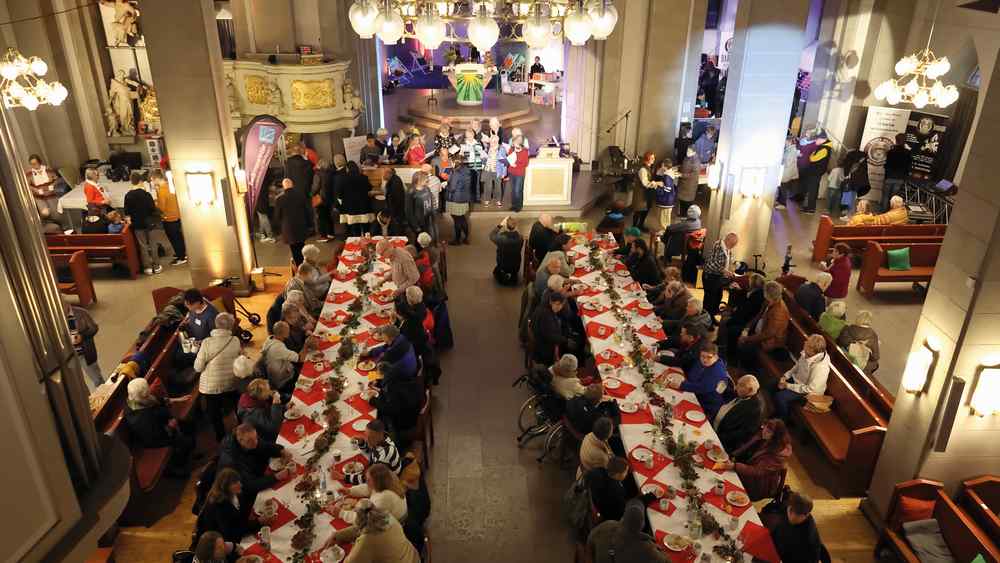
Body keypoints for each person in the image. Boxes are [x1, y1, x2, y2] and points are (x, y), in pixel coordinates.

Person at [123, 378, 194, 475]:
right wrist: (170, 427)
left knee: (189, 425)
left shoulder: (134, 400)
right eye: (147, 394)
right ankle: (176, 467)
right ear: (142, 397)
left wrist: (176, 400)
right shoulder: (141, 417)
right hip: (154, 440)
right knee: (188, 443)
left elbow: (157, 401)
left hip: (162, 423)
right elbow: (156, 435)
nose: (149, 395)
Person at [195, 312, 243, 441]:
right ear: (231, 327)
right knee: (236, 405)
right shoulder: (235, 340)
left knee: (214, 413)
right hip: (230, 383)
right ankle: (242, 430)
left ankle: (220, 437)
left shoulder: (206, 342)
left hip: (211, 387)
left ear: (216, 325)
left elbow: (197, 367)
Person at [720, 419, 792, 501]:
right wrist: (732, 455)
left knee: (725, 482)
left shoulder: (776, 456)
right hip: (748, 470)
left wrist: (735, 466)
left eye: (769, 431)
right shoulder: (765, 437)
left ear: (775, 437)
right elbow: (745, 447)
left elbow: (757, 471)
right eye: (765, 427)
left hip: (758, 485)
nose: (764, 431)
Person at [327, 500, 420, 563]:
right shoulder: (385, 515)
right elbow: (358, 528)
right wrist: (337, 535)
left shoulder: (368, 539)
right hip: (413, 557)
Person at [194, 468, 264, 550]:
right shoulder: (220, 505)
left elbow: (239, 516)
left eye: (239, 481)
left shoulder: (234, 494)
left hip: (234, 534)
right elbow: (231, 533)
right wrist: (258, 522)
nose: (240, 485)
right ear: (225, 487)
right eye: (235, 483)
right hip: (219, 544)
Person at [218, 423, 288, 503]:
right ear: (241, 440)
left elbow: (264, 446)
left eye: (256, 438)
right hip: (243, 497)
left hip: (259, 475)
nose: (256, 443)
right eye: (250, 441)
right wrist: (275, 478)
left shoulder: (250, 439)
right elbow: (248, 485)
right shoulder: (232, 460)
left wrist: (280, 450)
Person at [586, 498, 667, 563]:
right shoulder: (647, 548)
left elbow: (589, 540)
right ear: (642, 525)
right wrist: (659, 550)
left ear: (623, 517)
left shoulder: (608, 524)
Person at [773, 334, 831, 418]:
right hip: (798, 382)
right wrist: (785, 376)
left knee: (780, 397)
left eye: (807, 343)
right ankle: (775, 413)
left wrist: (787, 385)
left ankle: (782, 421)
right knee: (773, 384)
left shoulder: (820, 367)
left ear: (812, 350)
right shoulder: (808, 353)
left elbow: (809, 389)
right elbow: (797, 367)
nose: (804, 342)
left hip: (808, 393)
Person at [670, 343, 731, 420]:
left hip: (707, 407)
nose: (705, 360)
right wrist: (683, 382)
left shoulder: (717, 371)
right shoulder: (702, 362)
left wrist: (681, 385)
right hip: (695, 395)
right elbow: (692, 376)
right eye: (702, 356)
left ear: (716, 356)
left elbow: (703, 388)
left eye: (709, 357)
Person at [332, 419, 402, 485]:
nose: (367, 440)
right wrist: (361, 442)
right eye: (366, 436)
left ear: (380, 435)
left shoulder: (385, 455)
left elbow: (369, 479)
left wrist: (343, 477)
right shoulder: (382, 439)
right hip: (377, 471)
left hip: (388, 482)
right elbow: (371, 452)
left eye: (371, 437)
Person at [738, 281, 790, 369]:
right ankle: (737, 362)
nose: (763, 295)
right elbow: (759, 315)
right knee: (738, 331)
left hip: (769, 342)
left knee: (746, 347)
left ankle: (746, 370)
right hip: (760, 331)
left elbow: (767, 334)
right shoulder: (769, 301)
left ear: (770, 296)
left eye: (765, 293)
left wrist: (747, 339)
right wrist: (748, 327)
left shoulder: (779, 312)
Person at [123, 171, 163, 275]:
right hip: (149, 223)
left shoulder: (128, 195)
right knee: (153, 244)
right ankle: (157, 266)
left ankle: (147, 268)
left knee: (143, 246)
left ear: (132, 181)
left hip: (137, 224)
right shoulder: (146, 194)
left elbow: (127, 212)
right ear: (141, 181)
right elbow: (152, 209)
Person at [767, 492, 824, 563]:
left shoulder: (806, 536)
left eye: (797, 514)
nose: (791, 515)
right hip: (774, 549)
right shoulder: (788, 509)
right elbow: (777, 531)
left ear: (806, 515)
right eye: (790, 510)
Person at [713, 374, 764, 453]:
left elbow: (741, 434)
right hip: (714, 427)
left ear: (750, 390)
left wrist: (716, 437)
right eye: (737, 384)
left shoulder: (754, 409)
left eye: (740, 386)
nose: (736, 387)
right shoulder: (746, 394)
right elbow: (731, 394)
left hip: (721, 441)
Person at [719, 273, 766, 357]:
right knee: (725, 317)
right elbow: (745, 302)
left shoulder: (757, 297)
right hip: (743, 316)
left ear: (753, 284)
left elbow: (745, 311)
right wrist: (739, 289)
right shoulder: (756, 292)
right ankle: (721, 343)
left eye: (750, 282)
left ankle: (725, 349)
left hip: (746, 322)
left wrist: (732, 315)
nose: (748, 283)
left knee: (726, 321)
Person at [260, 321, 309, 394]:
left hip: (276, 374)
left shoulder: (270, 339)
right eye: (288, 330)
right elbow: (300, 359)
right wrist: (306, 344)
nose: (289, 331)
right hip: (283, 381)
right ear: (284, 334)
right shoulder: (278, 348)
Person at [150, 169, 187, 265]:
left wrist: (154, 203)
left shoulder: (161, 190)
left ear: (156, 178)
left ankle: (180, 257)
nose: (152, 182)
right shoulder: (170, 186)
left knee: (174, 238)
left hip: (168, 217)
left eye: (152, 180)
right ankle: (183, 254)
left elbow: (161, 207)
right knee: (179, 237)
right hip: (177, 215)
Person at [64, 299, 103, 389]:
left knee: (97, 378)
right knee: (78, 383)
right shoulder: (57, 317)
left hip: (84, 352)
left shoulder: (82, 313)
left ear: (68, 305)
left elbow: (94, 328)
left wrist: (82, 336)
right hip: (69, 355)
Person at [274, 177, 311, 266]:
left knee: (294, 248)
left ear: (283, 187)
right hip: (301, 226)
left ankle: (299, 265)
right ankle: (304, 262)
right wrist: (310, 224)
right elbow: (308, 211)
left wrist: (278, 228)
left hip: (289, 228)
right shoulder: (301, 196)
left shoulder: (279, 199)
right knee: (302, 245)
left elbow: (277, 216)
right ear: (292, 185)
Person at [702, 232, 739, 319]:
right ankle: (706, 320)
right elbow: (710, 264)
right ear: (728, 240)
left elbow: (723, 261)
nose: (733, 246)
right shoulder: (719, 247)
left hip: (717, 277)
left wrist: (729, 270)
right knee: (710, 300)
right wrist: (724, 271)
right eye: (733, 244)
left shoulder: (726, 247)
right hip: (710, 276)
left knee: (718, 297)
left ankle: (711, 317)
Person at [26, 154, 67, 230]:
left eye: (35, 163)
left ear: (39, 162)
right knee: (45, 213)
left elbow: (56, 179)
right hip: (39, 197)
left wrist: (52, 185)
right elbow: (28, 185)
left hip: (51, 195)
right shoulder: (29, 173)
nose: (33, 165)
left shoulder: (48, 169)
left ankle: (60, 228)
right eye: (31, 164)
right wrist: (36, 190)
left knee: (56, 214)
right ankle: (51, 227)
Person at [531, 291, 572, 366]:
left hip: (540, 336)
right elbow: (551, 337)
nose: (559, 307)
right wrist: (566, 340)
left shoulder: (544, 305)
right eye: (557, 304)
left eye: (561, 305)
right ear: (551, 302)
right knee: (568, 346)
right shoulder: (546, 316)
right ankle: (563, 366)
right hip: (542, 347)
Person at [584, 456, 631, 522]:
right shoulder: (616, 491)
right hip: (610, 515)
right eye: (625, 472)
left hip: (597, 501)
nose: (627, 474)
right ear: (617, 474)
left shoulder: (598, 471)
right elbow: (621, 511)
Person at [799, 131, 832, 214]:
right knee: (810, 190)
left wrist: (811, 155)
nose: (815, 141)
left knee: (813, 190)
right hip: (814, 172)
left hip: (816, 173)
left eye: (817, 139)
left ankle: (811, 209)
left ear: (822, 139)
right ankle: (808, 207)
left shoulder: (825, 148)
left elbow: (813, 158)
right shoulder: (822, 147)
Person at [837, 310, 880, 375]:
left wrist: (853, 344)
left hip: (845, 358)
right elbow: (875, 356)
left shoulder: (848, 329)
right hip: (860, 366)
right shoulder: (873, 336)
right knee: (875, 364)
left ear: (858, 319)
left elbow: (840, 342)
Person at [339, 161, 374, 237]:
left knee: (355, 230)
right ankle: (368, 244)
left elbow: (340, 194)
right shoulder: (364, 177)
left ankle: (357, 245)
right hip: (364, 206)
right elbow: (369, 188)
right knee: (366, 229)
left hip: (351, 208)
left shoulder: (343, 179)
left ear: (347, 168)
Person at [445, 153, 473, 244]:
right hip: (464, 198)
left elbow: (452, 188)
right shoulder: (466, 170)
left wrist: (446, 185)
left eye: (451, 161)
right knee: (462, 218)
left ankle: (457, 240)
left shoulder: (455, 173)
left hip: (456, 199)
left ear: (455, 162)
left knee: (457, 220)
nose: (450, 163)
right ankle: (466, 238)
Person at [631, 151, 662, 231]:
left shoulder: (649, 167)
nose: (653, 160)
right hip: (640, 194)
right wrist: (656, 183)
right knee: (638, 211)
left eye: (654, 158)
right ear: (647, 159)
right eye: (652, 158)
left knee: (645, 211)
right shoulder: (642, 169)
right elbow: (645, 183)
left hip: (646, 194)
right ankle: (634, 228)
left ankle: (640, 225)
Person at [490, 215, 522, 285]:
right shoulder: (520, 238)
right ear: (515, 227)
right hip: (515, 266)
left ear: (506, 226)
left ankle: (503, 275)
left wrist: (500, 225)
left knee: (496, 271)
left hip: (503, 264)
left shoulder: (502, 238)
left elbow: (491, 235)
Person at [882, 133, 911, 211]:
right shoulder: (907, 153)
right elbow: (908, 167)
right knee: (894, 198)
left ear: (896, 140)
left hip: (889, 177)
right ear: (905, 141)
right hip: (900, 178)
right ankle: (891, 214)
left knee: (885, 196)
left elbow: (887, 165)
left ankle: (883, 214)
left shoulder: (890, 152)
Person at [481, 133, 508, 207]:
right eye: (492, 141)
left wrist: (504, 173)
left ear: (498, 141)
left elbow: (505, 162)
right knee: (487, 186)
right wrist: (483, 159)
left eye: (495, 141)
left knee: (498, 186)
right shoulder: (487, 148)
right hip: (488, 170)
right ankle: (487, 200)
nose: (493, 143)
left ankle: (498, 200)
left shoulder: (501, 149)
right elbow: (483, 159)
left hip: (497, 171)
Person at [460, 127, 485, 203]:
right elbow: (461, 154)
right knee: (469, 182)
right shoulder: (464, 144)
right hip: (468, 165)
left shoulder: (478, 143)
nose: (469, 138)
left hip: (477, 165)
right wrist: (461, 154)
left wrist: (482, 162)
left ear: (473, 135)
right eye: (467, 136)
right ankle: (469, 198)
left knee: (477, 182)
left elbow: (482, 154)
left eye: (470, 136)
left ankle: (477, 198)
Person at [507, 134, 530, 212]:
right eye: (514, 142)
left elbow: (525, 163)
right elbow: (509, 159)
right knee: (513, 190)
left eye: (516, 142)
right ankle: (513, 205)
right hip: (511, 172)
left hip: (519, 173)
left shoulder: (525, 151)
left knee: (518, 190)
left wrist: (515, 165)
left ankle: (518, 206)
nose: (514, 144)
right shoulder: (511, 149)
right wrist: (510, 163)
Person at [382, 167, 407, 235]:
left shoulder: (395, 182)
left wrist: (390, 214)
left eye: (384, 173)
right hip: (396, 212)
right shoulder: (394, 179)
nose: (383, 175)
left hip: (396, 213)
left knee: (397, 231)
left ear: (389, 174)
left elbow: (395, 201)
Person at [776, 135, 799, 210]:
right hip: (784, 171)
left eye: (785, 141)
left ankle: (783, 204)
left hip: (787, 171)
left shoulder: (792, 150)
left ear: (789, 141)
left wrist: (781, 161)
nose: (784, 143)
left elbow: (788, 162)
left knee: (783, 187)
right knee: (781, 186)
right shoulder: (788, 149)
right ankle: (779, 201)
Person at [677, 146, 701, 216]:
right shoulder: (687, 157)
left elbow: (693, 175)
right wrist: (678, 169)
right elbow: (683, 166)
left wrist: (681, 175)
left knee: (687, 204)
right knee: (682, 202)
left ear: (694, 152)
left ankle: (687, 218)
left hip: (689, 186)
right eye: (687, 151)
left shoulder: (696, 161)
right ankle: (682, 215)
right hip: (683, 185)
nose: (687, 152)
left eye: (689, 151)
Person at [653, 159, 677, 228]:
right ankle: (666, 232)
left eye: (662, 165)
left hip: (666, 201)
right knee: (667, 219)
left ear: (665, 166)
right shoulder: (670, 174)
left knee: (663, 220)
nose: (661, 166)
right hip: (669, 200)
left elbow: (666, 190)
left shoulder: (667, 176)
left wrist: (656, 188)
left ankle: (664, 234)